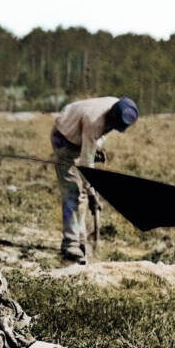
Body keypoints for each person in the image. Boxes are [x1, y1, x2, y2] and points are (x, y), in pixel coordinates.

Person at [51, 96, 139, 263]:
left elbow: (98, 138)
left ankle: (81, 239)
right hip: (64, 137)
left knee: (81, 192)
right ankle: (70, 243)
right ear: (112, 116)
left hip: (79, 132)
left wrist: (94, 149)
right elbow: (86, 164)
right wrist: (93, 192)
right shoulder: (94, 121)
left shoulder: (118, 107)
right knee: (73, 191)